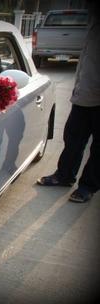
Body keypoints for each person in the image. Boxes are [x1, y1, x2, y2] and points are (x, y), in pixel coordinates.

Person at [37, 11, 99, 203]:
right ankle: (64, 176)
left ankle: (87, 186)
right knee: (72, 139)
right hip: (83, 96)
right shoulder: (94, 24)